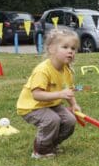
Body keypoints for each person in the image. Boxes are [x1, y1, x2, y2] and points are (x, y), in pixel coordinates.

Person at [17, 28, 81, 159]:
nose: (70, 51)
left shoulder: (67, 70)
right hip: (32, 106)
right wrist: (59, 95)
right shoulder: (42, 70)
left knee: (70, 121)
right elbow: (37, 95)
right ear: (52, 49)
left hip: (51, 103)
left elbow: (69, 91)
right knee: (52, 120)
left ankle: (50, 145)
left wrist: (74, 105)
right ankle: (40, 150)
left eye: (73, 48)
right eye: (65, 47)